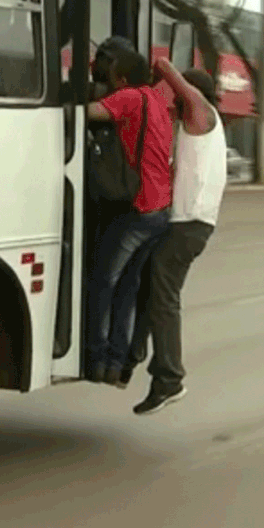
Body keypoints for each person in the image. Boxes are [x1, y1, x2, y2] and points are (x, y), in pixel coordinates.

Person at [130, 58, 227, 415]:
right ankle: (137, 355)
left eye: (177, 96)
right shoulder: (198, 129)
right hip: (188, 224)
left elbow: (178, 83)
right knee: (151, 282)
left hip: (190, 224)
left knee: (163, 291)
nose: (171, 102)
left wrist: (161, 68)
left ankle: (169, 377)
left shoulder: (201, 114)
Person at [85, 48, 174, 386]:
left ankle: (95, 357)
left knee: (102, 282)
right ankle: (116, 362)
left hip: (135, 209)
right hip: (159, 210)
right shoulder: (157, 103)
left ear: (120, 78)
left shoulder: (129, 99)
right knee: (127, 287)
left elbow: (87, 114)